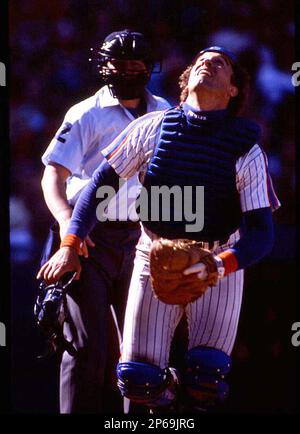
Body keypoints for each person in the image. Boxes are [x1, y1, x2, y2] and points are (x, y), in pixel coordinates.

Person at [38, 46, 280, 413]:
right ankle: (164, 397)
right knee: (137, 379)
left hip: (217, 259)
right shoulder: (151, 128)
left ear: (233, 90)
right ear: (184, 86)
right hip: (153, 250)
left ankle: (189, 397)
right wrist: (70, 242)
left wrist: (220, 264)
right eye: (200, 60)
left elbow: (262, 232)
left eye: (221, 63)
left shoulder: (246, 148)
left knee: (206, 377)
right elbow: (99, 188)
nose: (207, 62)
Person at [38, 29, 170, 414]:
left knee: (142, 349)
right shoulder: (86, 112)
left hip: (143, 235)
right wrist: (67, 226)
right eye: (119, 61)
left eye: (135, 63)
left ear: (149, 67)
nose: (127, 69)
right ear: (103, 65)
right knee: (86, 347)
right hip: (88, 236)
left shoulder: (165, 112)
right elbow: (52, 176)